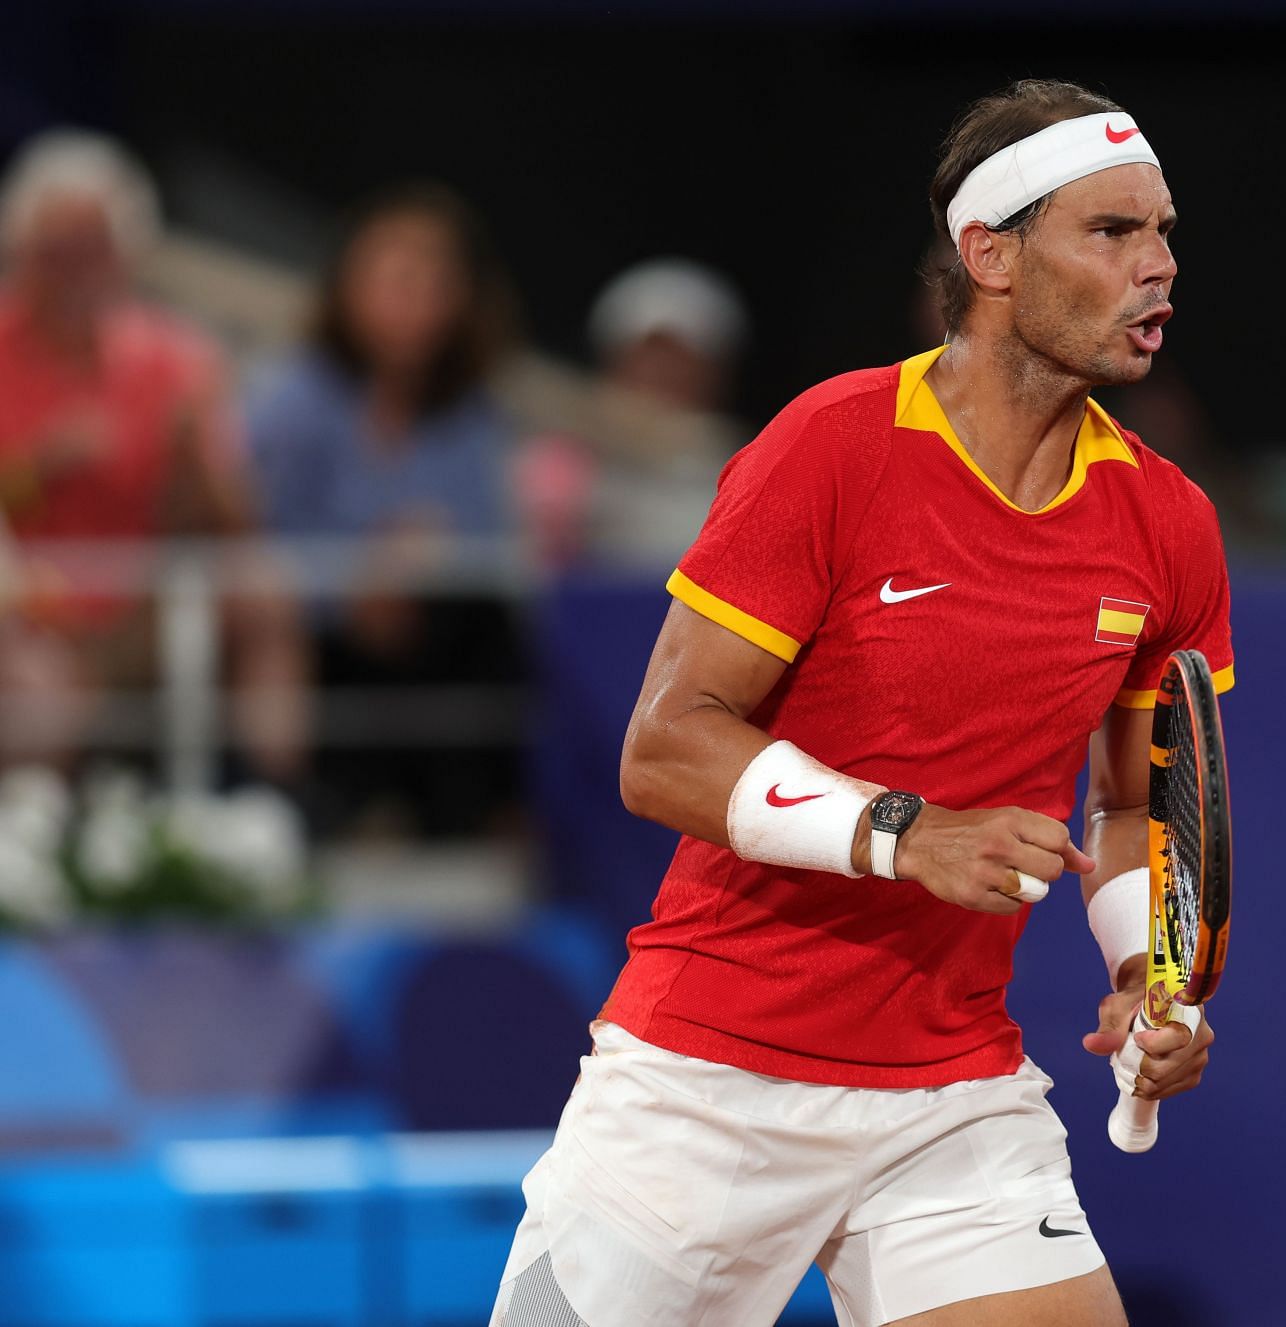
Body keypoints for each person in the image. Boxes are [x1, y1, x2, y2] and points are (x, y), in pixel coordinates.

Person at [493, 80, 1231, 1327]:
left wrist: (1146, 974)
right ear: (987, 254)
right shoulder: (830, 446)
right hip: (702, 1082)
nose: (1159, 266)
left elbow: (1129, 809)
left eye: (1163, 231)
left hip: (950, 1100)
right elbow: (664, 750)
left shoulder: (1169, 523)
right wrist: (907, 831)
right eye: (1112, 233)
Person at [0, 129, 306, 777]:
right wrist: (37, 468)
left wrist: (194, 461)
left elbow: (232, 520)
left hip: (147, 601)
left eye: (95, 251)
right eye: (57, 251)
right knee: (35, 680)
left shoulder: (179, 358)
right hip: (21, 609)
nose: (76, 271)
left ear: (129, 256)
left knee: (263, 592)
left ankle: (283, 801)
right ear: (21, 251)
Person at [247, 183, 522, 837]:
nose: (416, 298)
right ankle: (341, 815)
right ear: (348, 284)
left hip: (432, 629)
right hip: (325, 635)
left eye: (435, 279)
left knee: (483, 630)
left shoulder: (473, 414)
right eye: (398, 276)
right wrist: (352, 585)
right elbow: (260, 539)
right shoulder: (293, 400)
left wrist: (421, 564)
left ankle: (473, 826)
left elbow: (490, 544)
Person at [517, 257, 750, 569]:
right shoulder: (553, 464)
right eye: (646, 356)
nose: (663, 372)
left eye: (683, 358)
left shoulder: (753, 469)